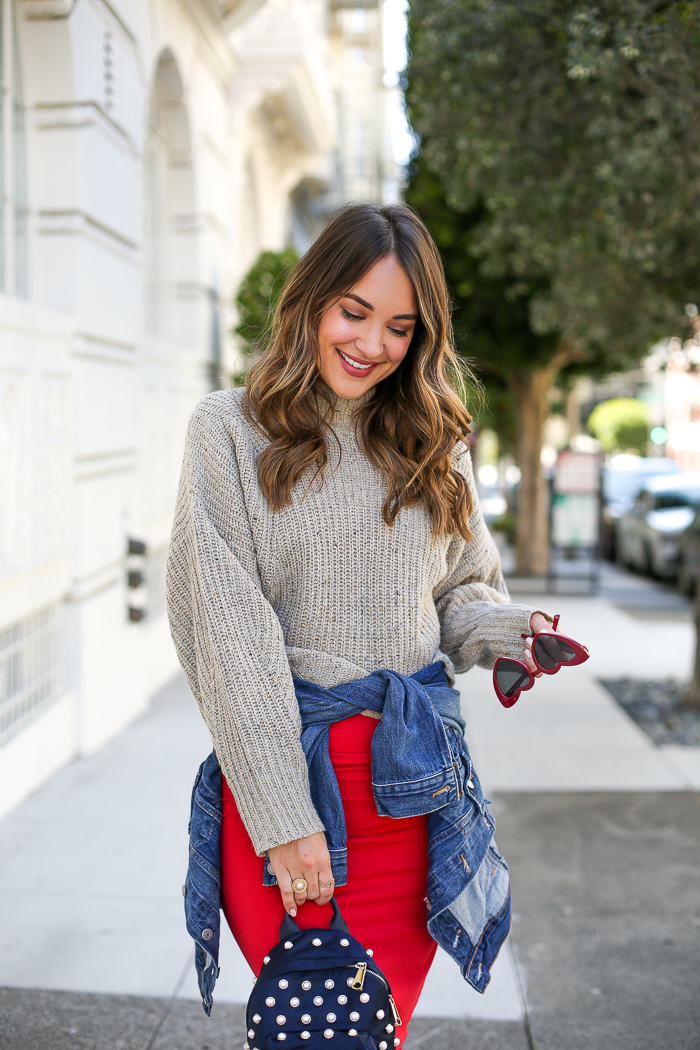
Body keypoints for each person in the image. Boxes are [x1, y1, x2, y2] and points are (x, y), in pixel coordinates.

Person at [166, 202, 556, 1030]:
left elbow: (457, 593)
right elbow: (228, 642)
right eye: (355, 312)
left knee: (383, 1032)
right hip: (294, 790)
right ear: (310, 301)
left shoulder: (431, 442)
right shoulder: (229, 433)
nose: (374, 344)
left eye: (401, 327)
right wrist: (284, 821)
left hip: (416, 795)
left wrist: (511, 633)